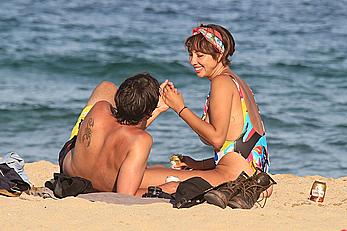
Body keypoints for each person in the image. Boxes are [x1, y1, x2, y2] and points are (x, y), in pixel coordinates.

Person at [140, 24, 272, 197]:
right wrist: (198, 164)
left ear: (220, 55)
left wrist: (180, 108)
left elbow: (216, 139)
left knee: (141, 177)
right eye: (191, 54)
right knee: (157, 170)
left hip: (233, 178)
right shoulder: (236, 82)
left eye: (200, 55)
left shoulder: (221, 82)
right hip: (249, 175)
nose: (192, 61)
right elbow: (238, 147)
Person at [58, 73, 170, 197]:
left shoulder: (100, 107)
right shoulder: (142, 140)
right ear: (148, 113)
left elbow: (123, 127)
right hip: (100, 189)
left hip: (69, 172)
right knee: (183, 176)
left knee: (106, 87)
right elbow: (125, 195)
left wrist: (156, 109)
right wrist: (166, 188)